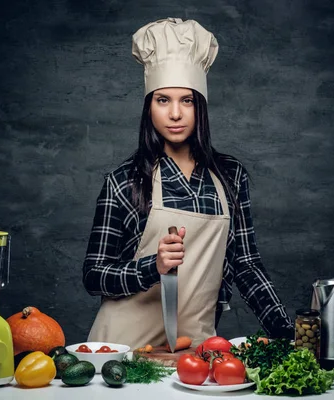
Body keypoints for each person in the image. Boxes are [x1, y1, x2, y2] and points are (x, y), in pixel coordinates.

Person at [83, 17, 294, 349]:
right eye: (163, 100)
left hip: (193, 354)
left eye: (187, 100)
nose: (175, 114)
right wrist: (151, 267)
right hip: (122, 355)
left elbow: (246, 265)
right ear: (148, 106)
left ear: (201, 106)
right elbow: (94, 275)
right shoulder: (125, 181)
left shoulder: (230, 176)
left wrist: (287, 333)